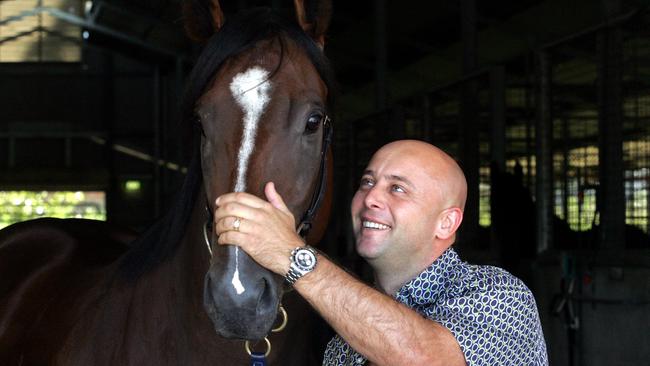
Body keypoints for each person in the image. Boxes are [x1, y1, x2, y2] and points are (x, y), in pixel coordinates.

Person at [214, 140, 548, 365]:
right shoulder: (343, 347)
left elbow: (423, 357)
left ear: (446, 224)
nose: (371, 197)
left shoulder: (500, 296)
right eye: (367, 182)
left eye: (397, 188)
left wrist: (291, 254)